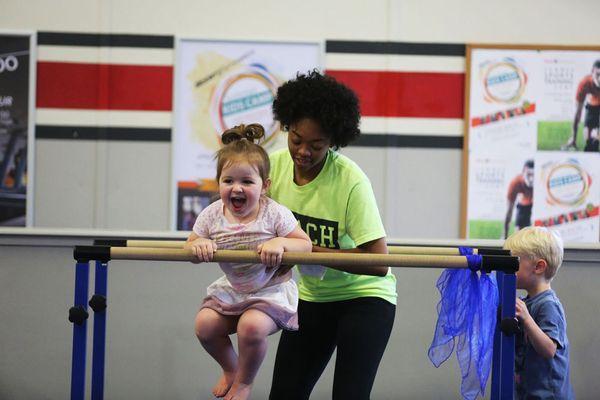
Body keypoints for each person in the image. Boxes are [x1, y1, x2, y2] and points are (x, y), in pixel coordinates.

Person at [267, 70, 397, 400]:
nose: (303, 152)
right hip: (313, 297)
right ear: (286, 126)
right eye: (296, 140)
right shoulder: (272, 169)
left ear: (333, 141)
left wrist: (312, 251)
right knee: (284, 393)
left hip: (365, 298)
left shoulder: (350, 180)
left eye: (317, 145)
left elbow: (379, 262)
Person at [185, 123, 312, 400]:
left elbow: (305, 245)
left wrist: (281, 242)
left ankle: (243, 383)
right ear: (218, 182)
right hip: (234, 289)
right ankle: (231, 369)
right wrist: (200, 245)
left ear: (264, 186)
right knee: (205, 326)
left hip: (271, 290)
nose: (236, 189)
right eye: (228, 181)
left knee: (251, 327)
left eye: (247, 182)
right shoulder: (211, 215)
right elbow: (191, 247)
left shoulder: (274, 213)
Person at [504, 226, 574, 399]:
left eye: (516, 262)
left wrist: (527, 320)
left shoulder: (548, 305)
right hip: (529, 392)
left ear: (539, 267)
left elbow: (549, 349)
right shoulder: (528, 301)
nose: (510, 267)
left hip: (548, 395)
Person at [563, 59, 600, 152]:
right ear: (592, 72)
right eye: (598, 75)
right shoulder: (584, 84)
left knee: (597, 138)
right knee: (590, 142)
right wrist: (573, 137)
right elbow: (578, 113)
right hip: (592, 106)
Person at [504, 159, 534, 239]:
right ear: (523, 172)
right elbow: (509, 211)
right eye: (529, 175)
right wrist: (505, 235)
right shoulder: (515, 183)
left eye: (533, 175)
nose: (531, 179)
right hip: (523, 206)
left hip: (534, 203)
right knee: (519, 233)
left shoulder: (541, 181)